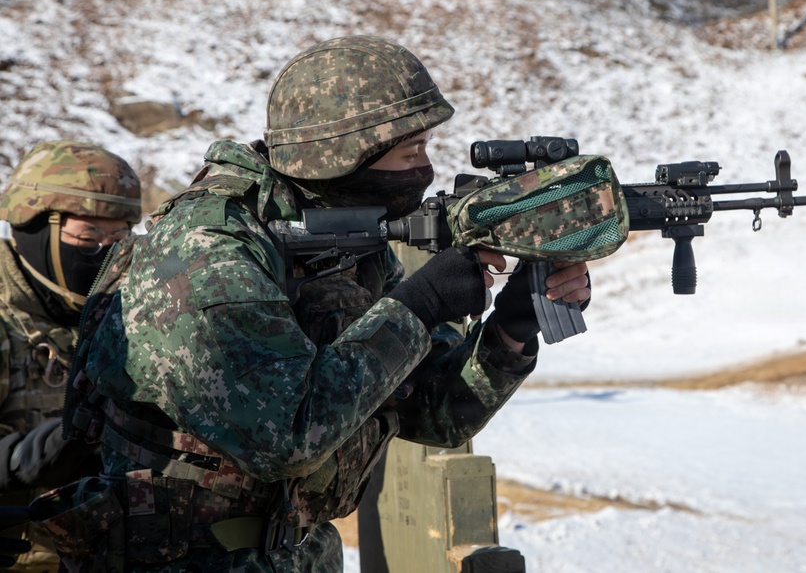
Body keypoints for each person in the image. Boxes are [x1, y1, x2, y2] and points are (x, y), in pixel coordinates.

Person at [37, 35, 591, 572]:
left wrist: (511, 327)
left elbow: (430, 411)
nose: (424, 171)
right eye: (411, 150)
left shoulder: (347, 243)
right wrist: (419, 305)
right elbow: (284, 434)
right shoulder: (207, 252)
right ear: (343, 155)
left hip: (296, 552)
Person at [0, 140, 142, 571]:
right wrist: (23, 457)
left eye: (120, 238)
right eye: (88, 238)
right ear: (34, 231)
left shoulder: (137, 315)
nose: (107, 253)